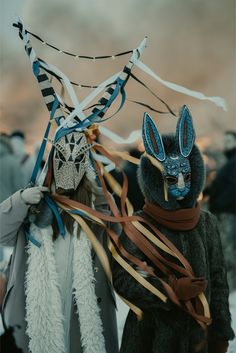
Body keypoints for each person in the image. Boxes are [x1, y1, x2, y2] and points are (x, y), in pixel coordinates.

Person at [112, 106, 234, 353]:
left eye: (185, 178)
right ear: (157, 179)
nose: (180, 186)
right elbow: (123, 279)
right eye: (171, 179)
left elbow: (219, 280)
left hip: (199, 338)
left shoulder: (206, 222)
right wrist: (170, 290)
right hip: (151, 340)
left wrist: (221, 331)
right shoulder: (140, 224)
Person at [0, 130, 119, 353]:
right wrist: (21, 200)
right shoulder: (34, 202)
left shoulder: (94, 208)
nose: (68, 170)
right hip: (36, 307)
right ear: (53, 162)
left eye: (77, 162)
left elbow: (117, 238)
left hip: (80, 307)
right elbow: (1, 233)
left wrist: (103, 196)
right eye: (62, 160)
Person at [206, 131, 236, 292]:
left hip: (228, 213)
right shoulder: (229, 161)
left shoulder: (233, 162)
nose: (226, 143)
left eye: (230, 140)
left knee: (227, 250)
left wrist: (217, 204)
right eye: (225, 140)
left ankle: (230, 289)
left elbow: (233, 189)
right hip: (226, 212)